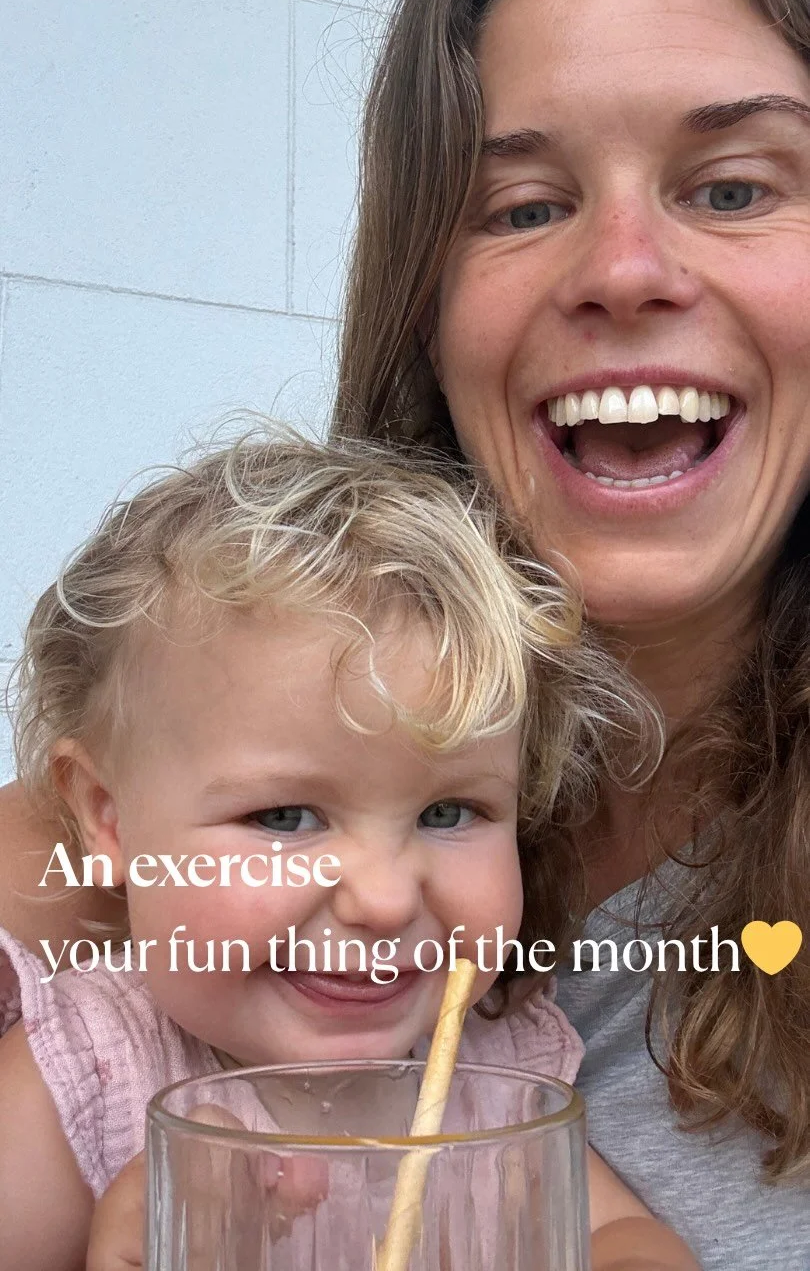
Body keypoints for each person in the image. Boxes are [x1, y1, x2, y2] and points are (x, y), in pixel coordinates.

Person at [3, 0, 810, 1265]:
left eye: (735, 186)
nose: (624, 271)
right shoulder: (96, 961)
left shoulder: (497, 1048)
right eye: (523, 206)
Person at [0, 427, 696, 1270]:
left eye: (449, 812)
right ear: (108, 820)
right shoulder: (83, 1080)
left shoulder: (493, 1071)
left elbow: (621, 1237)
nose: (386, 900)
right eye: (285, 817)